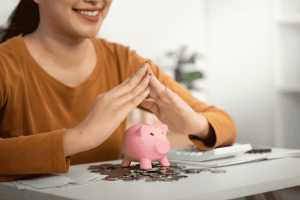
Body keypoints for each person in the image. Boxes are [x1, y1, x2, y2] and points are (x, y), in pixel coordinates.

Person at [0, 0, 237, 182]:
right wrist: (78, 137)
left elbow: (225, 125)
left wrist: (195, 124)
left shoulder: (124, 62)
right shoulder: (5, 65)